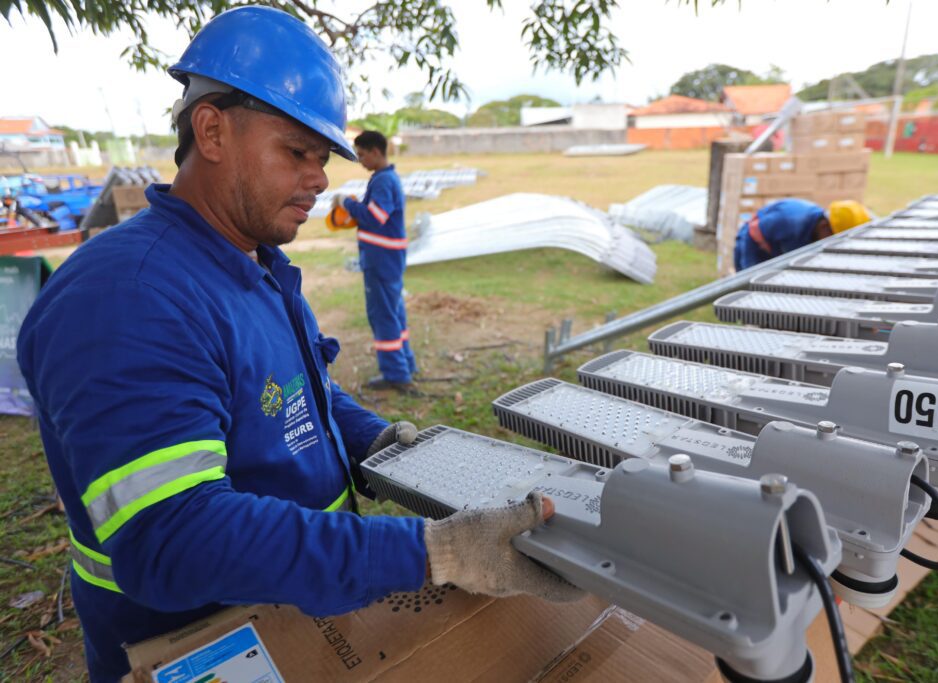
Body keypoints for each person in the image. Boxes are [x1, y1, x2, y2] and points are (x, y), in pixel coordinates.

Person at [16, 8, 578, 682]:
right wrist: (438, 552)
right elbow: (174, 537)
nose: (318, 178)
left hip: (292, 613)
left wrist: (376, 440)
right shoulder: (127, 299)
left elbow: (287, 394)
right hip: (195, 643)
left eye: (323, 157)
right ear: (213, 129)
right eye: (296, 151)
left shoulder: (248, 263)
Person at [333, 131, 417, 391]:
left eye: (361, 154)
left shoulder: (382, 181)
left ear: (376, 152)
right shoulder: (385, 178)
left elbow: (375, 217)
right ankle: (405, 364)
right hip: (388, 258)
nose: (360, 160)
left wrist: (346, 203)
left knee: (383, 315)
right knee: (393, 312)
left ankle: (396, 373)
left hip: (381, 259)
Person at [733, 198, 870, 271]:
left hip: (779, 252)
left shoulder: (815, 231)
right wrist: (749, 271)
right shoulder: (790, 220)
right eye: (833, 238)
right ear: (824, 226)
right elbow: (752, 232)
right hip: (753, 246)